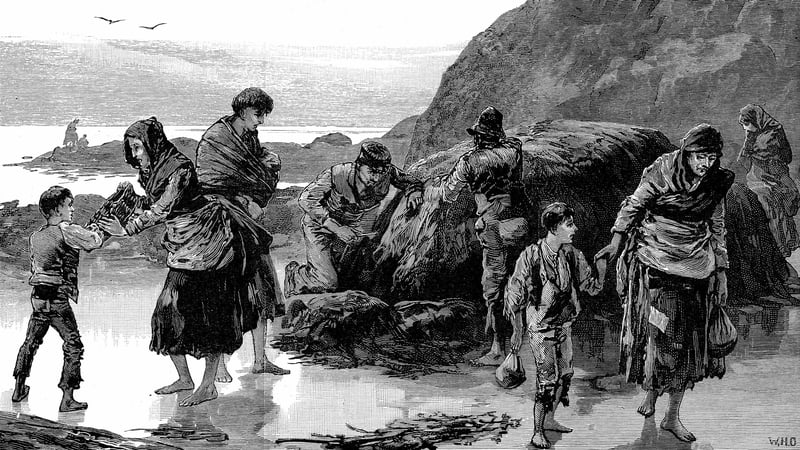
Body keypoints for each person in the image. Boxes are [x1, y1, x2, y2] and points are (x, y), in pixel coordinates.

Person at [101, 117, 260, 406]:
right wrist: (130, 200)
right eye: (131, 149)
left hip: (209, 246)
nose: (135, 155)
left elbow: (162, 208)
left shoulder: (180, 169)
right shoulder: (149, 171)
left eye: (138, 147)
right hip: (182, 249)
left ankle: (208, 385)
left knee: (211, 318)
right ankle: (185, 378)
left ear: (153, 144)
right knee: (167, 312)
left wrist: (126, 229)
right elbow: (153, 203)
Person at [595, 123, 735, 442]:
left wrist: (722, 271)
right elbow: (635, 204)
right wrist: (616, 242)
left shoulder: (715, 182)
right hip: (657, 265)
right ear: (687, 153)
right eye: (701, 156)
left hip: (698, 270)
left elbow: (717, 226)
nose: (706, 164)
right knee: (660, 335)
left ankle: (671, 416)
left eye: (712, 157)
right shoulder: (662, 170)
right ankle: (651, 392)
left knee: (685, 345)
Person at [194, 87, 288, 379]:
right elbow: (209, 182)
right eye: (259, 114)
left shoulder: (249, 136)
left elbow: (254, 170)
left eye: (264, 115)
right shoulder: (216, 138)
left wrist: (256, 191)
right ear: (244, 110)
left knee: (262, 287)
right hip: (221, 223)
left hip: (249, 223)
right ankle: (219, 365)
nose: (262, 120)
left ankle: (261, 360)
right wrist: (243, 199)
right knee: (225, 294)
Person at [436, 106, 533, 366]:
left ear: (479, 136)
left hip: (493, 227)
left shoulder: (469, 161)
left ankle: (498, 348)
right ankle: (523, 343)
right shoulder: (514, 150)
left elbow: (448, 193)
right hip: (522, 222)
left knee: (494, 288)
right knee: (522, 280)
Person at [505, 202, 606, 449]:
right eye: (569, 224)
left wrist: (602, 270)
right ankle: (537, 431)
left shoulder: (571, 254)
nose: (575, 229)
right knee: (546, 380)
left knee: (566, 374)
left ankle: (550, 420)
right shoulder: (531, 255)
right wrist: (517, 330)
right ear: (554, 227)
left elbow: (591, 286)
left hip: (563, 324)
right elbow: (513, 295)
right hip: (540, 327)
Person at [284, 141, 423, 296]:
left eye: (380, 172)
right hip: (320, 226)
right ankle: (295, 275)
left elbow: (411, 181)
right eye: (371, 171)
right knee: (327, 282)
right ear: (359, 165)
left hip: (354, 226)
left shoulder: (387, 172)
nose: (376, 178)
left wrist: (414, 191)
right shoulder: (337, 174)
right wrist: (336, 227)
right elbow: (305, 199)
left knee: (354, 276)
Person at [12, 186, 106, 412]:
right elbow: (94, 241)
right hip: (57, 298)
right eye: (69, 205)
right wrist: (96, 231)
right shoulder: (67, 229)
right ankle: (67, 398)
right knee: (73, 344)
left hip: (37, 297)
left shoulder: (36, 236)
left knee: (31, 342)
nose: (72, 209)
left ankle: (18, 388)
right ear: (57, 209)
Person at [736, 104, 799, 263]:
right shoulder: (753, 133)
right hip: (759, 176)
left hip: (772, 174)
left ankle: (780, 248)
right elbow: (744, 160)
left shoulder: (771, 135)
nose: (746, 128)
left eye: (746, 124)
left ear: (756, 121)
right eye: (743, 125)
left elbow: (782, 156)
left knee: (771, 205)